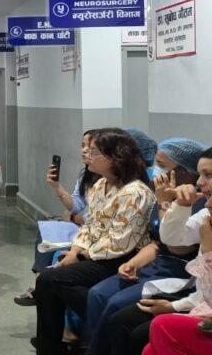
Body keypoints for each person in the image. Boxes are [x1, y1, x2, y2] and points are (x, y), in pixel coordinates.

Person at [32, 128, 157, 355]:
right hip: (96, 253)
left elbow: (120, 241)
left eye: (94, 152)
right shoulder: (100, 185)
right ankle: (51, 347)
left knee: (51, 279)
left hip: (122, 257)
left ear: (115, 157)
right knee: (47, 282)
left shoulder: (135, 192)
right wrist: (74, 251)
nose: (87, 156)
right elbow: (90, 225)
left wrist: (81, 255)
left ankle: (96, 328)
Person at [85, 138, 207, 355]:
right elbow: (158, 242)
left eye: (162, 165)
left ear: (183, 172)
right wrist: (133, 263)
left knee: (117, 308)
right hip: (156, 263)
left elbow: (177, 247)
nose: (155, 170)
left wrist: (167, 204)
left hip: (179, 272)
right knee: (97, 294)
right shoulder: (172, 196)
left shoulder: (198, 202)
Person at [15, 130, 101, 307]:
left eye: (90, 147)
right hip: (82, 227)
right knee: (46, 232)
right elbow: (75, 205)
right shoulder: (85, 174)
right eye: (83, 145)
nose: (84, 150)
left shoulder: (111, 181)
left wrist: (77, 219)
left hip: (93, 234)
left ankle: (41, 289)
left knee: (56, 250)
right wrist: (56, 186)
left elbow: (95, 218)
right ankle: (40, 286)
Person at [139, 206, 212, 355]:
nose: (208, 203)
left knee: (160, 325)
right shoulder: (207, 217)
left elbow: (177, 249)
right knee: (148, 350)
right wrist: (179, 204)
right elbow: (170, 240)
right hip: (202, 304)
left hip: (177, 272)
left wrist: (207, 252)